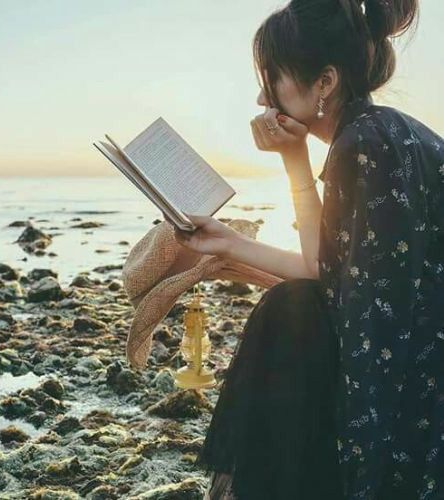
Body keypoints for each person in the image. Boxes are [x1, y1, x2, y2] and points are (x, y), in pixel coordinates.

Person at [163, 0, 444, 498]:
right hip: (420, 359)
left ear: (325, 82)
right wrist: (233, 237)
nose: (260, 98)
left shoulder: (363, 143)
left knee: (286, 311)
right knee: (293, 303)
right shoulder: (389, 131)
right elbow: (332, 269)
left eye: (273, 80)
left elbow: (360, 314)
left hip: (414, 385)